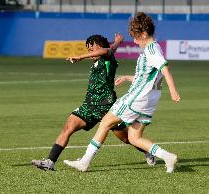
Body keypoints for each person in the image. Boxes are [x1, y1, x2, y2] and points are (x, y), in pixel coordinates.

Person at [64, 12, 180, 173]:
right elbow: (147, 78)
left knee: (105, 122)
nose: (134, 41)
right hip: (149, 101)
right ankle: (167, 156)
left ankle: (84, 162)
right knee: (134, 138)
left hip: (137, 98)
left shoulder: (152, 50)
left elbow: (165, 69)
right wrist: (127, 77)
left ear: (144, 34)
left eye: (136, 37)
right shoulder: (155, 48)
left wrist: (173, 91)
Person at [31, 33, 156, 171]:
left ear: (101, 48)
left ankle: (147, 151)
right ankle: (50, 162)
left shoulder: (108, 60)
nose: (91, 53)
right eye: (89, 50)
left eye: (93, 50)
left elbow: (108, 50)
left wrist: (80, 56)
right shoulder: (98, 60)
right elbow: (110, 48)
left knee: (127, 139)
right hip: (89, 105)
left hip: (107, 106)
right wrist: (117, 42)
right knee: (68, 128)